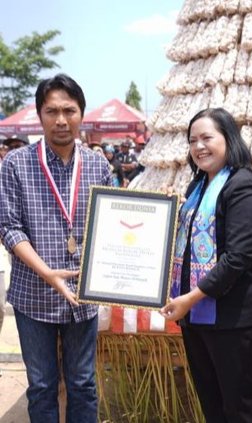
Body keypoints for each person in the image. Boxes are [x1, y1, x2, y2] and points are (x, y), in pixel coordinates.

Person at [0, 73, 113, 422]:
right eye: (52, 111)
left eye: (69, 110)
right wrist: (47, 272)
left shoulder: (98, 165)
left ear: (81, 113)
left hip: (83, 295)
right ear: (39, 115)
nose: (61, 120)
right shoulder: (15, 165)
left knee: (83, 383)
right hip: (33, 294)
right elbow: (9, 227)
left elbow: (108, 227)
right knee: (42, 385)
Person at [161, 108, 252, 423]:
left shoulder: (244, 187)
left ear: (229, 139)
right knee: (213, 406)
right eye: (192, 140)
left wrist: (191, 297)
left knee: (242, 410)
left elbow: (237, 258)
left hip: (235, 319)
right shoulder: (197, 189)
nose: (199, 147)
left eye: (207, 138)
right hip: (198, 320)